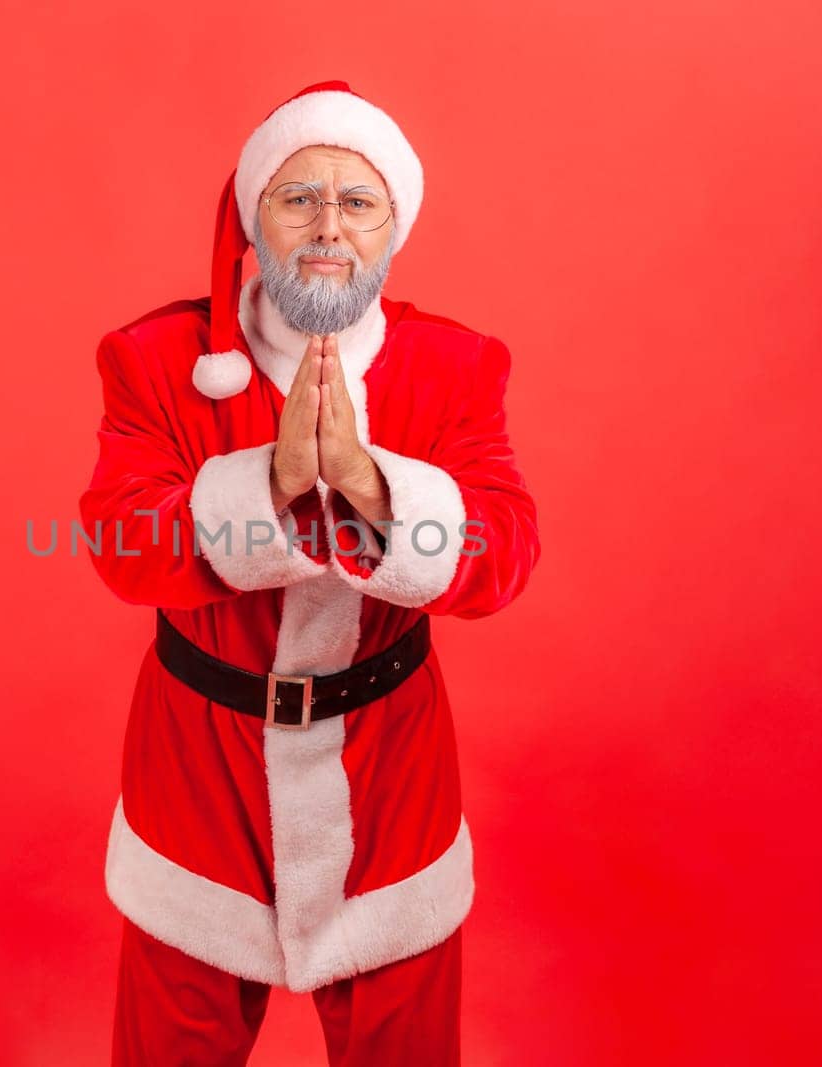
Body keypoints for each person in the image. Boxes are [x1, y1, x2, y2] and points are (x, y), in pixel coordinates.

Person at [78, 79, 541, 1066]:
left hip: (392, 771)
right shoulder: (157, 360)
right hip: (196, 772)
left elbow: (502, 551)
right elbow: (121, 540)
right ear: (256, 220)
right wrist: (268, 486)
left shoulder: (454, 367)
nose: (328, 224)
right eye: (298, 197)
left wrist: (372, 490)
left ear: (392, 229)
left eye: (356, 200)